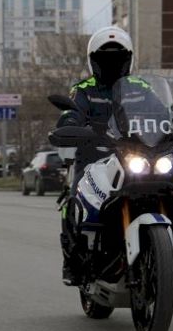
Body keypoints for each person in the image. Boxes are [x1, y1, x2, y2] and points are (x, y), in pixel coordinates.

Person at [56, 26, 135, 286]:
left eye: (118, 58)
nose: (112, 64)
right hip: (93, 159)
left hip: (133, 156)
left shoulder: (141, 87)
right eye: (105, 59)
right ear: (94, 61)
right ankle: (72, 260)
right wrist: (70, 123)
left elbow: (162, 112)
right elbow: (70, 114)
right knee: (74, 200)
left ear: (128, 59)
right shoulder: (83, 89)